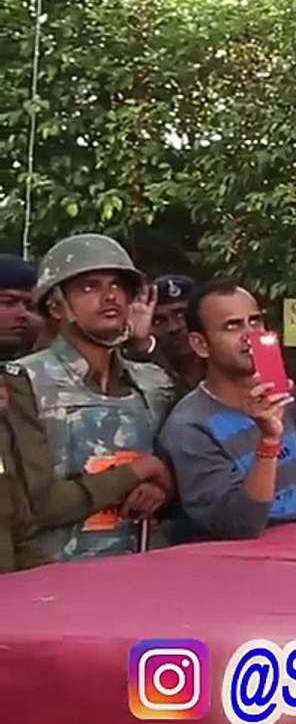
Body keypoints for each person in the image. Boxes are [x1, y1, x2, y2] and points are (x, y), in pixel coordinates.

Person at [7, 235, 177, 562]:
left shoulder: (154, 383)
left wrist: (162, 487)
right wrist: (139, 471)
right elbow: (33, 505)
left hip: (144, 568)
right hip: (55, 576)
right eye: (89, 287)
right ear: (56, 306)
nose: (110, 296)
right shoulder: (22, 382)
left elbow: (186, 479)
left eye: (118, 285)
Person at [155, 282, 296, 541]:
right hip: (227, 559)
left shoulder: (286, 399)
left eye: (255, 322)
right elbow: (238, 524)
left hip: (295, 548)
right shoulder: (189, 426)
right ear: (200, 344)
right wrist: (268, 440)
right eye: (232, 326)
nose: (250, 335)